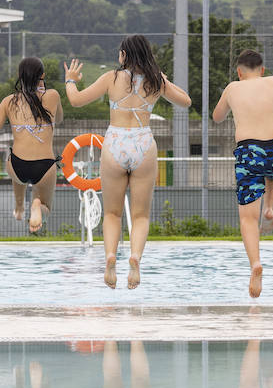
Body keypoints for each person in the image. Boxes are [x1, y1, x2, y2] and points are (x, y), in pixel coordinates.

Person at [64, 35, 192, 289]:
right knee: (141, 215)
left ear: (124, 55)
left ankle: (110, 257)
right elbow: (186, 101)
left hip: (115, 143)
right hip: (143, 143)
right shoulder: (156, 82)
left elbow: (76, 100)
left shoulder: (111, 78)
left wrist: (70, 80)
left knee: (112, 213)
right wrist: (164, 80)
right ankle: (135, 258)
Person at [211, 49, 273, 297]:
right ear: (263, 69)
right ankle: (270, 205)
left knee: (247, 217)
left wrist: (232, 104)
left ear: (239, 72)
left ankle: (255, 264)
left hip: (248, 151)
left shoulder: (233, 88)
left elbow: (217, 117)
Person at [0, 57, 63, 233]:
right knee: (46, 207)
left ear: (20, 76)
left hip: (18, 165)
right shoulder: (53, 96)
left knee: (16, 170)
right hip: (45, 167)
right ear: (43, 75)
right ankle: (36, 205)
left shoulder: (9, 101)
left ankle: (19, 207)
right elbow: (59, 119)